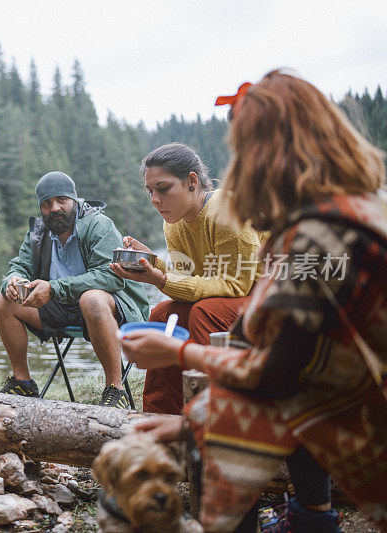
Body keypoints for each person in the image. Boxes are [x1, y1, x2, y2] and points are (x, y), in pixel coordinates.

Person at [121, 70, 387, 532]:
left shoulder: (319, 237)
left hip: (368, 417)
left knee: (235, 430)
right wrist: (187, 421)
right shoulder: (354, 210)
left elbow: (280, 369)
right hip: (345, 392)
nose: (239, 168)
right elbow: (284, 350)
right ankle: (311, 517)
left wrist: (181, 357)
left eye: (245, 151)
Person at [109, 143, 264, 415]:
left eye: (163, 188)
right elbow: (189, 278)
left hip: (266, 299)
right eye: (150, 191)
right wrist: (153, 265)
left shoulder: (226, 212)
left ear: (192, 181)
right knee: (161, 314)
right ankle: (160, 415)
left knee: (205, 312)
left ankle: (220, 412)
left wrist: (160, 280)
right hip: (231, 299)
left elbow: (235, 285)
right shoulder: (174, 223)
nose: (154, 199)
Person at [0, 171, 150, 408]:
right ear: (41, 208)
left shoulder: (99, 225)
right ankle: (23, 383)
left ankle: (115, 391)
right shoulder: (38, 232)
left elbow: (112, 277)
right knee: (3, 301)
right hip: (60, 306)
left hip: (112, 307)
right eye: (47, 203)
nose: (54, 208)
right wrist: (12, 282)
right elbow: (19, 265)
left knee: (92, 299)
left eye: (61, 200)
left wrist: (54, 289)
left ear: (75, 201)